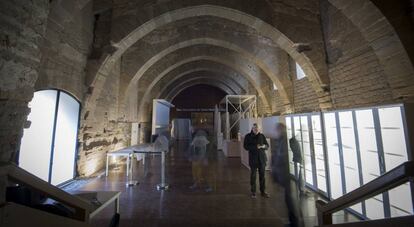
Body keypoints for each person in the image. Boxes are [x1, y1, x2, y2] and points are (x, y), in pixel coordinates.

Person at [271, 123, 304, 227]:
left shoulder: (286, 140)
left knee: (291, 200)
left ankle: (296, 223)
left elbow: (282, 156)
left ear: (281, 130)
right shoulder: (282, 139)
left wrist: (275, 168)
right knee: (289, 199)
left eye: (277, 130)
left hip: (289, 175)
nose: (276, 132)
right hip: (287, 174)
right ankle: (295, 221)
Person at [243, 123, 269, 198]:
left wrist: (264, 146)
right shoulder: (248, 136)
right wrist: (255, 147)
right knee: (253, 176)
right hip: (253, 160)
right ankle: (253, 192)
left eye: (257, 129)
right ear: (252, 128)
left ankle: (263, 191)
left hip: (262, 159)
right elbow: (245, 147)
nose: (256, 130)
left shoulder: (262, 136)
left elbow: (267, 146)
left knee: (262, 176)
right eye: (255, 128)